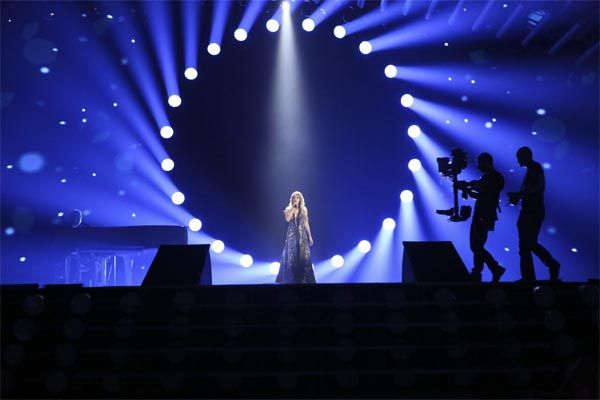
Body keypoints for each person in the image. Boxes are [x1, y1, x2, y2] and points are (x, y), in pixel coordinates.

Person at [507, 146, 560, 281]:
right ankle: (531, 276)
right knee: (526, 245)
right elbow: (534, 188)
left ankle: (549, 266)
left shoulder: (535, 167)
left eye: (518, 157)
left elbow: (539, 186)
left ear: (525, 156)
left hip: (532, 211)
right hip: (530, 211)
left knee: (527, 244)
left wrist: (519, 194)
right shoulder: (532, 168)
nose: (517, 160)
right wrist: (519, 196)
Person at [457, 153, 506, 282]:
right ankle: (478, 272)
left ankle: (494, 268)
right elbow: (479, 190)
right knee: (477, 246)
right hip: (482, 215)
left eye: (480, 163)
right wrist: (467, 187)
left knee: (476, 246)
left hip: (484, 215)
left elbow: (485, 195)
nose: (478, 166)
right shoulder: (488, 177)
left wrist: (467, 188)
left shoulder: (495, 178)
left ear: (487, 162)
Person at [275, 191, 316, 284]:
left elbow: (306, 223)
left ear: (300, 199)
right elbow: (287, 219)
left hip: (302, 235)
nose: (296, 199)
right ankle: (292, 279)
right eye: (294, 198)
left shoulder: (304, 210)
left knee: (303, 255)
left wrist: (310, 236)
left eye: (298, 198)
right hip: (292, 235)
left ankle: (303, 279)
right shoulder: (288, 209)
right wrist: (293, 208)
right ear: (292, 199)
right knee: (292, 255)